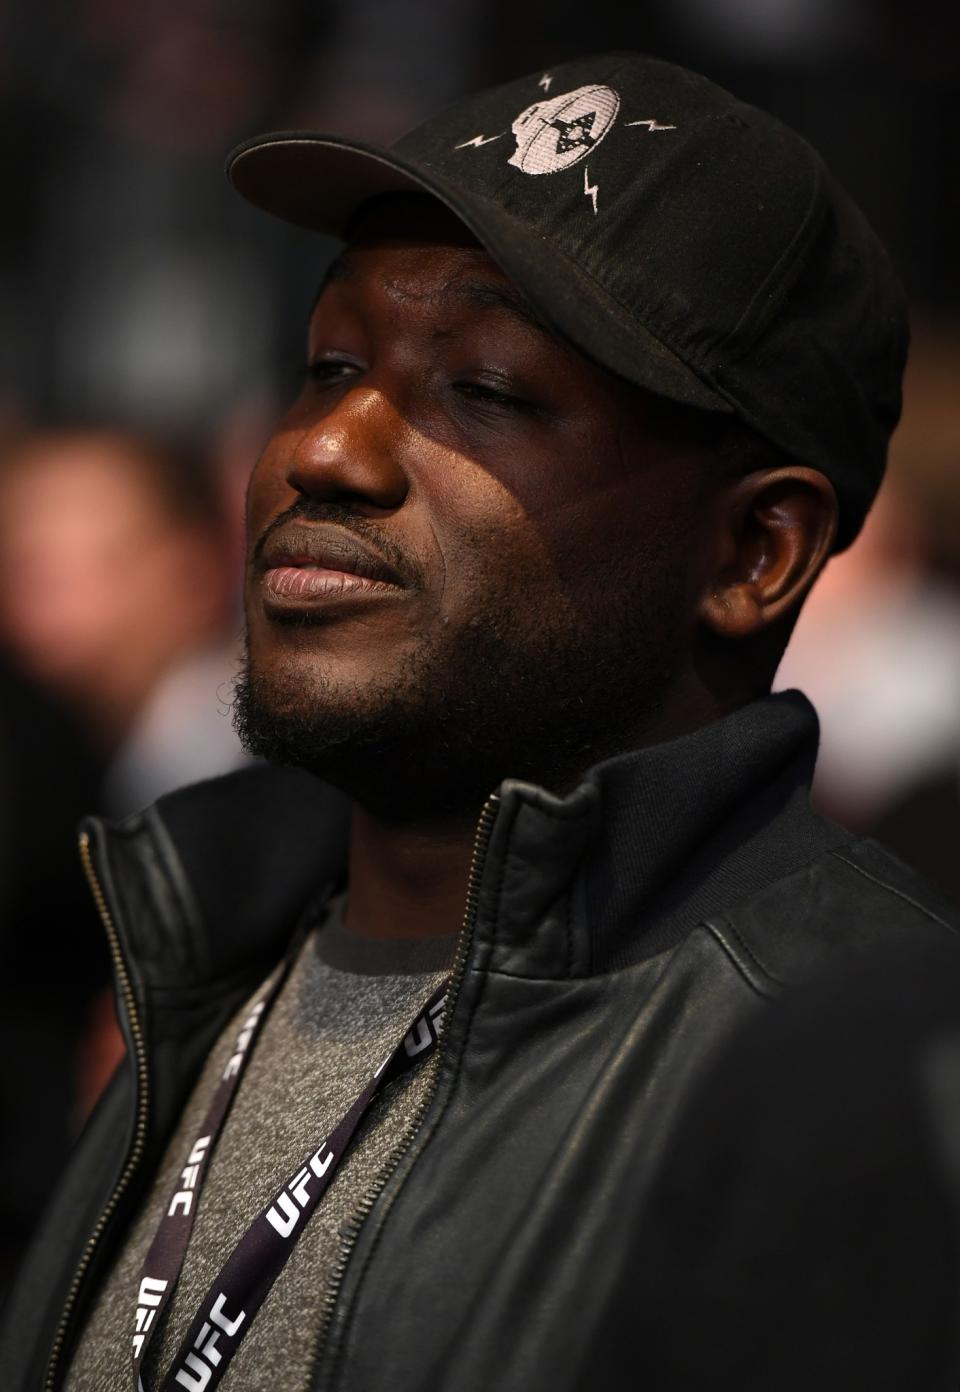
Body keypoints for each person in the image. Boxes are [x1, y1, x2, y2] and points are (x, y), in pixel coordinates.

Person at [2, 50, 958, 1391]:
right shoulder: (198, 941)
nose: (328, 446)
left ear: (756, 552)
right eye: (328, 360)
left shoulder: (857, 1080)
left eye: (489, 389)